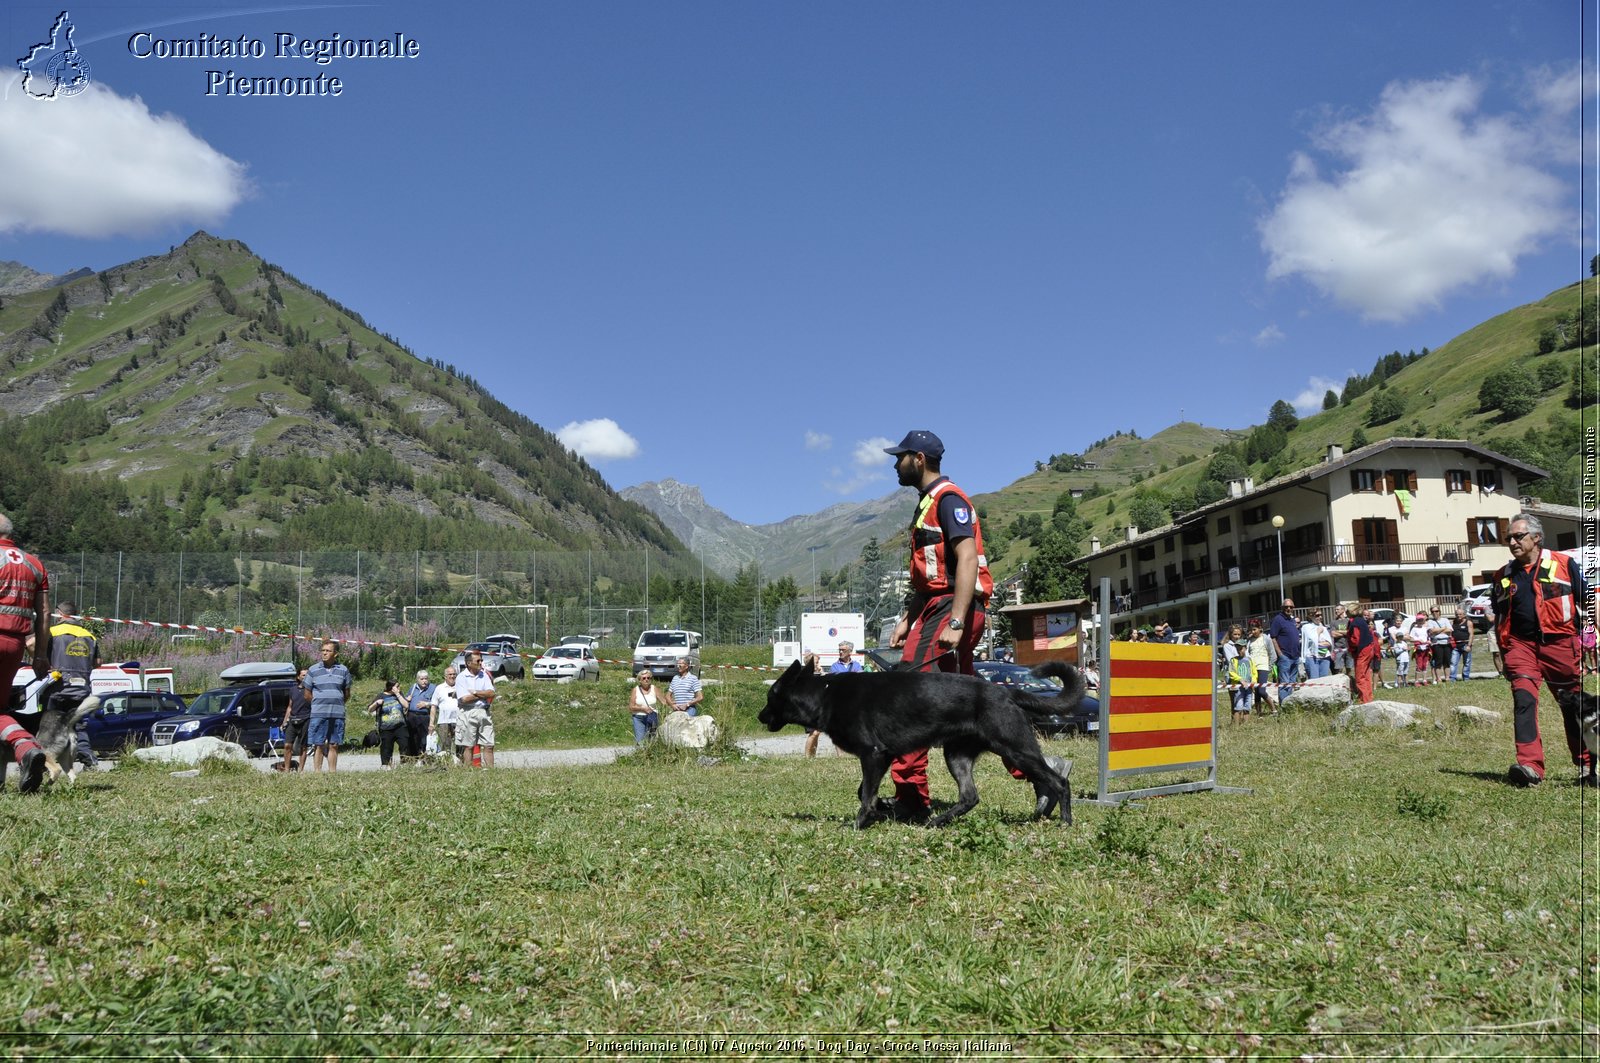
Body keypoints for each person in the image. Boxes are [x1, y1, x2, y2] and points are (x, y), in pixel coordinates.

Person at [882, 430, 1065, 819]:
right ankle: (1042, 773)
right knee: (968, 710)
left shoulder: (949, 500)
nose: (894, 464)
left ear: (918, 458)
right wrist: (907, 619)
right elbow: (933, 573)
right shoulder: (929, 503)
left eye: (899, 457)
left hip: (951, 609)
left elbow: (965, 561)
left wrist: (956, 620)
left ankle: (911, 801)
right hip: (941, 607)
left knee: (910, 701)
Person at [1492, 513, 1593, 787]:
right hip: (1520, 646)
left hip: (1561, 644)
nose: (1512, 542)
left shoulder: (1564, 564)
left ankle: (1586, 765)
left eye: (1518, 536)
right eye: (1508, 538)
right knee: (1523, 701)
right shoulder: (1503, 575)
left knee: (1573, 707)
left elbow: (1589, 603)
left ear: (1537, 538)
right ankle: (1529, 766)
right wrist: (1504, 652)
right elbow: (1500, 618)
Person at [0, 513, 51, 792]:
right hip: (15, 644)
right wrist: (40, 654)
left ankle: (24, 747)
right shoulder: (34, 563)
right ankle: (26, 747)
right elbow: (44, 613)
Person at [47, 601, 99, 769]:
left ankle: (45, 763)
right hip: (82, 689)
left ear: (59, 614)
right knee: (79, 725)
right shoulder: (89, 636)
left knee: (51, 726)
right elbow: (98, 662)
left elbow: (40, 654)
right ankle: (89, 760)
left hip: (58, 687)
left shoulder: (53, 632)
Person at [807, 640, 864, 757]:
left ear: (850, 652)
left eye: (843, 650)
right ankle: (840, 755)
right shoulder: (835, 666)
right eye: (839, 650)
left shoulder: (857, 665)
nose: (840, 652)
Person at [303, 639, 352, 773]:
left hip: (337, 713)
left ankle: (332, 773)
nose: (324, 653)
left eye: (328, 651)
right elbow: (307, 694)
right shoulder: (313, 670)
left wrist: (336, 702)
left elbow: (347, 693)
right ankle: (317, 773)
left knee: (334, 744)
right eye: (323, 650)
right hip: (318, 713)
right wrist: (319, 703)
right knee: (318, 744)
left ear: (335, 654)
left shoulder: (343, 670)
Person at [455, 650, 496, 768]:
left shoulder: (484, 675)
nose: (481, 663)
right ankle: (469, 770)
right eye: (478, 660)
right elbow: (464, 699)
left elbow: (492, 693)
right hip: (468, 712)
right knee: (469, 745)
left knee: (489, 744)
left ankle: (490, 770)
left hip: (483, 712)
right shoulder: (461, 677)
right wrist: (483, 694)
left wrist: (475, 692)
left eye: (481, 660)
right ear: (468, 663)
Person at [368, 679, 407, 769]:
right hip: (386, 727)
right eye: (397, 686)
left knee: (404, 744)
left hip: (400, 726)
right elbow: (370, 709)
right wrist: (376, 703)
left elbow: (406, 705)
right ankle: (386, 765)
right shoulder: (381, 696)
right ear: (391, 687)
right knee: (386, 747)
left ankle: (404, 763)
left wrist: (398, 694)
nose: (399, 688)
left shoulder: (399, 694)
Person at [279, 666, 312, 772]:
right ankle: (287, 769)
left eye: (307, 675)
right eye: (303, 675)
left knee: (303, 746)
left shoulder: (312, 689)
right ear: (298, 677)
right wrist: (284, 721)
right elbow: (290, 706)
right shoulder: (292, 690)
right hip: (293, 720)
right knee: (287, 745)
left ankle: (300, 770)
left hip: (306, 719)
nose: (305, 677)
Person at [1347, 603, 1377, 704]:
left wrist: (1351, 649)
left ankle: (1363, 700)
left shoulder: (1355, 623)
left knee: (1360, 676)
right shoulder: (1362, 621)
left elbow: (1355, 640)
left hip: (1362, 651)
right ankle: (1369, 697)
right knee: (1366, 674)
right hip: (1369, 648)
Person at [1269, 599, 1302, 691]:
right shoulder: (1278, 619)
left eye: (1291, 607)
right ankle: (1283, 703)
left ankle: (1289, 703)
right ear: (1282, 608)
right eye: (1286, 607)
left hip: (1295, 656)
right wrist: (1280, 654)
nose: (1288, 608)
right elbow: (1273, 637)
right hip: (1285, 657)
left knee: (1293, 682)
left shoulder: (1292, 620)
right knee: (1284, 684)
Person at [1222, 624, 1252, 723]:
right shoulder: (1227, 646)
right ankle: (1234, 721)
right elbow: (1231, 659)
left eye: (1239, 634)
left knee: (1245, 698)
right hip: (1232, 675)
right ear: (1230, 635)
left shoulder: (1243, 644)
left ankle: (1244, 720)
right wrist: (1241, 655)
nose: (1237, 636)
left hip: (1245, 673)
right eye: (1235, 634)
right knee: (1235, 699)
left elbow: (1248, 657)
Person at [429, 665, 460, 760]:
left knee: (460, 744)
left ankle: (461, 763)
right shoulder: (439, 688)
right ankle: (445, 764)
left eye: (454, 674)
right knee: (444, 745)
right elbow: (433, 706)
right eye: (450, 674)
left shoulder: (460, 686)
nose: (452, 676)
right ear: (445, 676)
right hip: (444, 721)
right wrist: (431, 723)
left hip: (459, 720)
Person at [403, 670, 434, 760]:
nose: (424, 681)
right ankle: (412, 758)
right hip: (411, 715)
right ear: (417, 679)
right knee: (412, 737)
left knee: (424, 738)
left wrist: (427, 704)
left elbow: (438, 702)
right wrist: (407, 699)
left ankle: (423, 757)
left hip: (424, 716)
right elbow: (407, 699)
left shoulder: (433, 688)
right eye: (422, 679)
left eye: (426, 678)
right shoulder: (413, 687)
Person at [1245, 620, 1274, 714]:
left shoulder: (1266, 639)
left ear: (1260, 628)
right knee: (1256, 691)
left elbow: (1272, 654)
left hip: (1263, 666)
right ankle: (1259, 713)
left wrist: (1269, 667)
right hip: (1253, 667)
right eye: (1251, 630)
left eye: (1254, 629)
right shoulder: (1249, 640)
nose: (1253, 632)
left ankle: (1273, 709)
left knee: (1261, 690)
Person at [628, 669, 663, 745]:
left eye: (648, 678)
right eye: (644, 678)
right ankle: (641, 755)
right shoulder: (635, 690)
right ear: (640, 680)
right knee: (640, 741)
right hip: (638, 718)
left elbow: (664, 702)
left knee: (652, 741)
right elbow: (631, 707)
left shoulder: (654, 688)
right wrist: (643, 708)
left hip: (652, 717)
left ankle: (650, 755)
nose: (646, 680)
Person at [1300, 610, 1331, 680]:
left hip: (1324, 656)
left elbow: (1329, 643)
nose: (1320, 617)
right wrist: (1318, 632)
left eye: (1321, 615)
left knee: (1324, 680)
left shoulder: (1323, 627)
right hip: (1312, 657)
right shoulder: (1306, 627)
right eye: (1317, 615)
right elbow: (1312, 640)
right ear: (1311, 616)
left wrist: (1319, 643)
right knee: (1314, 680)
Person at [1425, 606, 1452, 683]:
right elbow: (1432, 631)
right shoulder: (1430, 622)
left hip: (1446, 643)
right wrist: (1443, 628)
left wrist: (1437, 631)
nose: (1435, 613)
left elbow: (1449, 630)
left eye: (1436, 611)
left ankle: (1447, 678)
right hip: (1436, 643)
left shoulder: (1445, 620)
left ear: (1439, 611)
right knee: (1438, 662)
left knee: (1447, 662)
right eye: (1433, 611)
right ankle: (1439, 679)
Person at [1449, 609, 1473, 681]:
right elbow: (1450, 633)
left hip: (1465, 644)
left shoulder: (1468, 623)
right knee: (1453, 662)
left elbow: (1471, 634)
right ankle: (1452, 678)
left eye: (1460, 614)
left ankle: (1466, 677)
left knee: (1467, 662)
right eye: (1457, 614)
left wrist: (1469, 645)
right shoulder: (1452, 622)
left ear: (1464, 615)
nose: (1458, 616)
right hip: (1455, 646)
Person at [1329, 604, 1351, 675]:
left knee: (1349, 668)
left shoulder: (1348, 621)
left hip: (1348, 648)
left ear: (1343, 610)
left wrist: (1338, 631)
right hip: (1338, 648)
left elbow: (1350, 632)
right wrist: (1345, 633)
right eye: (1335, 609)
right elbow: (1333, 634)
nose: (1336, 611)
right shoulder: (1334, 622)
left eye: (1338, 609)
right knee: (1339, 669)